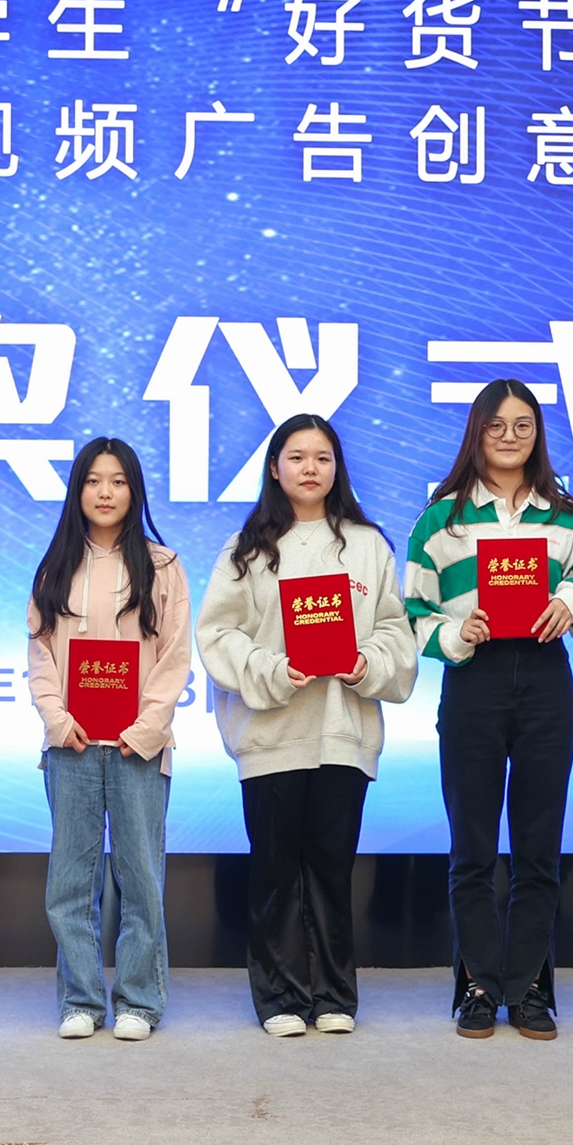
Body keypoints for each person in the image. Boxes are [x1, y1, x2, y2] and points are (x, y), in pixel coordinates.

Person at [199, 415, 417, 1037]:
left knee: (331, 867)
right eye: (297, 457)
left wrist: (364, 663)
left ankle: (334, 996)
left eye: (322, 457)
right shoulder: (245, 549)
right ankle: (280, 999)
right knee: (274, 870)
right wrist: (273, 668)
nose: (310, 468)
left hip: (343, 731)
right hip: (272, 733)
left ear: (337, 467)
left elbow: (395, 629)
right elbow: (216, 634)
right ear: (275, 468)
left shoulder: (368, 545)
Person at [402, 380, 573, 1042]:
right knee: (472, 847)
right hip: (474, 681)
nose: (510, 436)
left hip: (546, 678)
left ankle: (530, 988)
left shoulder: (562, 513)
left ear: (537, 434)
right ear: (477, 431)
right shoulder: (442, 517)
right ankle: (479, 985)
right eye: (497, 425)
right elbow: (413, 612)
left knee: (539, 847)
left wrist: (568, 601)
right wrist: (456, 632)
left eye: (523, 425)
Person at [26, 437, 192, 1043]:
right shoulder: (55, 566)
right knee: (70, 883)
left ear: (134, 491)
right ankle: (81, 1000)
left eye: (118, 481)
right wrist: (56, 719)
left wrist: (146, 728)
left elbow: (175, 657)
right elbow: (40, 655)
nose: (105, 492)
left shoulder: (164, 566)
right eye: (93, 480)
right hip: (70, 745)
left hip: (137, 748)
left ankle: (140, 1002)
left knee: (140, 879)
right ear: (77, 491)